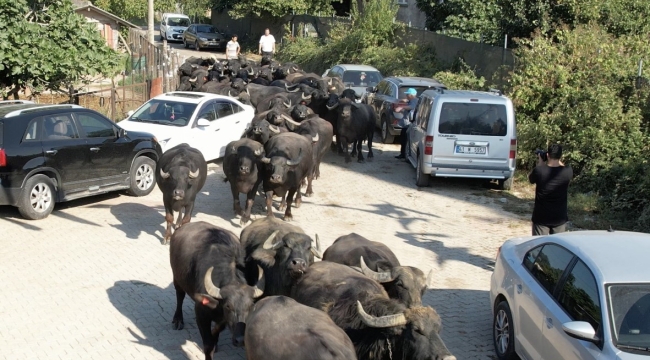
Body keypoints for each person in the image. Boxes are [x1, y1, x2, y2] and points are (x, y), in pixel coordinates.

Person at [528, 144, 573, 236]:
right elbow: (562, 167)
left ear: (548, 155)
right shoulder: (568, 171)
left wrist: (541, 162)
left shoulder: (539, 171)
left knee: (539, 245)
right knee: (557, 247)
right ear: (560, 156)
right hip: (559, 217)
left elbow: (531, 179)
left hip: (541, 217)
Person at [395, 88, 419, 159]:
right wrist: (404, 101)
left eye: (407, 94)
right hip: (405, 124)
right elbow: (408, 102)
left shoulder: (414, 101)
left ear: (411, 95)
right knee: (403, 139)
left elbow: (412, 107)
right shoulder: (412, 100)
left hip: (408, 125)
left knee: (405, 140)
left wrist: (401, 107)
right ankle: (403, 154)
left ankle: (404, 155)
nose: (406, 95)